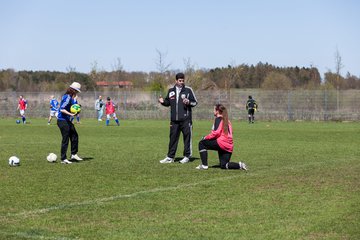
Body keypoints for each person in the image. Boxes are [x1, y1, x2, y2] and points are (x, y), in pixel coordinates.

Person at [158, 72, 198, 164]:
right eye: (180, 80)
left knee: (187, 138)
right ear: (176, 81)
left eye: (183, 80)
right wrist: (162, 101)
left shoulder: (188, 90)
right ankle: (170, 157)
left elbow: (195, 102)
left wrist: (188, 102)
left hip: (186, 120)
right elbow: (168, 102)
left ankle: (187, 156)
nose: (181, 82)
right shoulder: (171, 91)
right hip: (174, 121)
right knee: (172, 139)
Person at [196, 103, 247, 170]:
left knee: (201, 143)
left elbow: (216, 133)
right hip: (229, 146)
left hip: (222, 143)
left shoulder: (218, 119)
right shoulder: (227, 121)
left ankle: (204, 165)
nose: (213, 111)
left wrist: (205, 137)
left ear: (217, 111)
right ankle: (239, 165)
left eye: (214, 110)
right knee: (224, 165)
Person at [57, 82, 83, 164]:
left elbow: (75, 107)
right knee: (66, 139)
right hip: (62, 120)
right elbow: (62, 109)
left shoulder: (72, 98)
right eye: (77, 91)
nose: (77, 92)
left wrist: (76, 102)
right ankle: (63, 158)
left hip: (67, 120)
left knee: (74, 135)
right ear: (73, 90)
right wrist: (71, 114)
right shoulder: (67, 97)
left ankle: (73, 154)